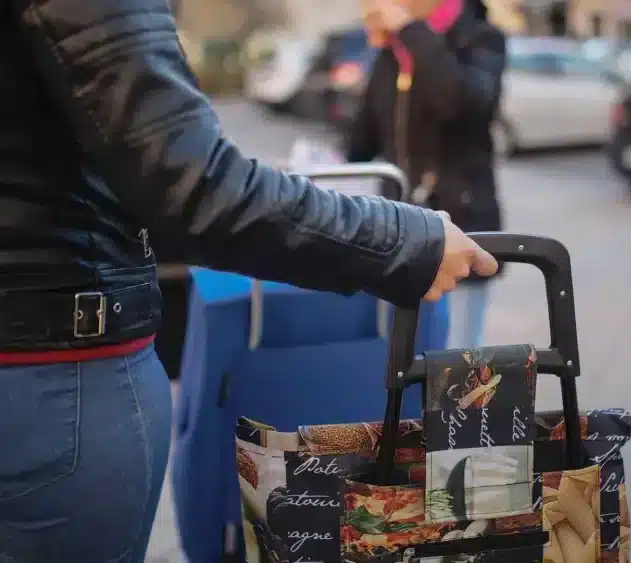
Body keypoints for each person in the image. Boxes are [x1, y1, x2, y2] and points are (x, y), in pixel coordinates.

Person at [0, 1, 498, 561]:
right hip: (52, 370)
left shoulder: (475, 37)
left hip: (459, 223)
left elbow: (466, 104)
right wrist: (406, 240)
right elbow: (194, 186)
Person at [346, 0, 506, 349]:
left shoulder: (481, 38)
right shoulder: (392, 52)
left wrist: (409, 29)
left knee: (459, 362)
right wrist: (314, 168)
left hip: (461, 224)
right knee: (400, 355)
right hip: (399, 228)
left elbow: (458, 101)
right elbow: (361, 140)